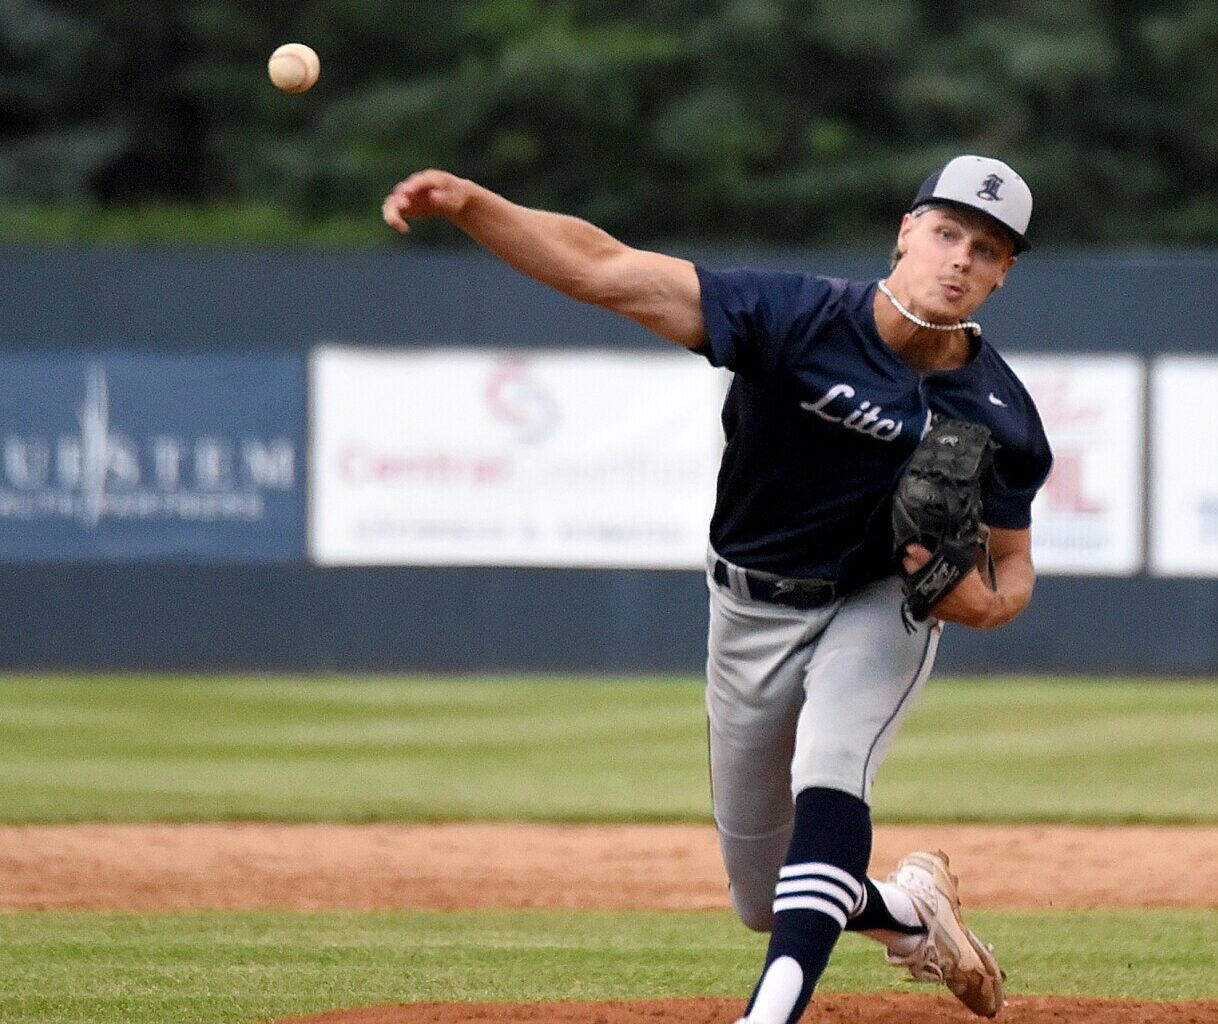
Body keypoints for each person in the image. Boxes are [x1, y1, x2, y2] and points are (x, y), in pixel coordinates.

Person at [382, 153, 1053, 1024]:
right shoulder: (795, 317)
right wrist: (472, 204)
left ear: (1002, 276)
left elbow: (1015, 563)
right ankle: (910, 912)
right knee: (764, 897)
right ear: (906, 234)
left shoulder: (1001, 411)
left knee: (830, 768)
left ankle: (767, 1014)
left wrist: (987, 604)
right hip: (750, 608)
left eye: (989, 249)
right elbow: (605, 270)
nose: (961, 257)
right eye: (948, 232)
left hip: (877, 600)